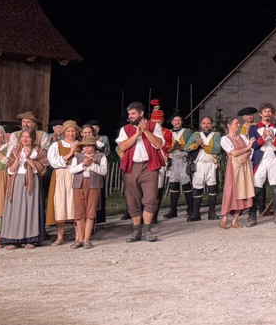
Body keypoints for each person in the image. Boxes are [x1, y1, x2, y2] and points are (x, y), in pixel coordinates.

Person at [117, 101, 167, 243]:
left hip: (149, 166)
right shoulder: (125, 129)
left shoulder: (154, 126)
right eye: (129, 114)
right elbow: (123, 146)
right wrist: (136, 135)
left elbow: (158, 144)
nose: (130, 116)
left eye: (133, 114)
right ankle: (136, 230)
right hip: (131, 167)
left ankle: (147, 230)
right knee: (132, 199)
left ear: (141, 114)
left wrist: (145, 131)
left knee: (150, 198)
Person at [0, 128, 47, 249]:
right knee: (15, 209)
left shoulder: (39, 151)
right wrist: (17, 159)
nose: (25, 139)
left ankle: (30, 238)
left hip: (32, 181)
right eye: (23, 137)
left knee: (30, 208)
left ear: (33, 138)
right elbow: (10, 170)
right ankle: (14, 239)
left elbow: (40, 169)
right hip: (16, 181)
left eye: (28, 137)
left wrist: (28, 158)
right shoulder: (15, 150)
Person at [246, 103, 276, 226]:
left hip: (273, 158)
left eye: (269, 111)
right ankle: (252, 216)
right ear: (260, 114)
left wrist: (273, 137)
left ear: (272, 114)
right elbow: (254, 145)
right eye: (265, 111)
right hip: (260, 159)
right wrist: (263, 137)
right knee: (257, 187)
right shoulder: (254, 128)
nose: (267, 114)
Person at [68, 133, 107, 249]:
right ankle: (79, 238)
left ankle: (86, 239)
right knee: (79, 212)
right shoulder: (78, 157)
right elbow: (72, 171)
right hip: (79, 185)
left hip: (93, 185)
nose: (86, 148)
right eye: (84, 146)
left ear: (94, 146)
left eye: (89, 146)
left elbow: (103, 171)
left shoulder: (101, 156)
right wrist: (83, 165)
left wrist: (92, 165)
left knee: (90, 212)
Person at [46, 120, 80, 245]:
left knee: (76, 205)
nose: (70, 134)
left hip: (76, 174)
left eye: (73, 131)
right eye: (68, 131)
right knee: (60, 205)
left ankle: (78, 236)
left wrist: (77, 152)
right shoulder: (56, 145)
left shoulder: (80, 144)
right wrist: (70, 153)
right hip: (61, 175)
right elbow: (54, 162)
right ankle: (60, 237)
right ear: (64, 132)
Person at [219, 116, 255, 229]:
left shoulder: (242, 137)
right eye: (236, 123)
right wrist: (247, 148)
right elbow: (233, 153)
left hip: (245, 165)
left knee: (243, 190)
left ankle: (235, 220)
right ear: (229, 126)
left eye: (238, 123)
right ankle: (224, 218)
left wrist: (247, 154)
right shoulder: (225, 139)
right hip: (234, 166)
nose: (238, 125)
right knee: (231, 190)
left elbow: (250, 150)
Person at [185, 115, 221, 222]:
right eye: (204, 123)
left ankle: (212, 212)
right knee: (197, 187)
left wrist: (204, 146)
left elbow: (217, 149)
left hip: (211, 163)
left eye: (208, 123)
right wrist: (196, 145)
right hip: (199, 164)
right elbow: (187, 148)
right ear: (201, 125)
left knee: (212, 187)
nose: (206, 125)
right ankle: (196, 213)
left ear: (211, 124)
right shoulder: (196, 134)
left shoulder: (216, 135)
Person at [163, 115, 191, 218]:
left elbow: (191, 144)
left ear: (182, 121)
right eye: (175, 120)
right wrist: (172, 147)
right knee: (173, 184)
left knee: (186, 183)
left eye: (179, 120)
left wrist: (182, 147)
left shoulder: (187, 131)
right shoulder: (168, 132)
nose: (177, 122)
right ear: (172, 122)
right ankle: (173, 210)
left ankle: (190, 209)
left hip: (183, 159)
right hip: (172, 159)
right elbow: (164, 146)